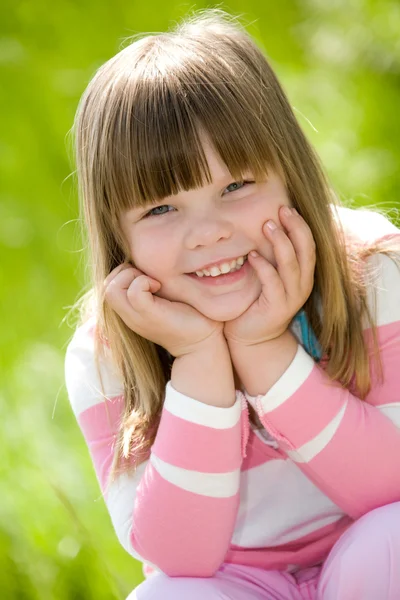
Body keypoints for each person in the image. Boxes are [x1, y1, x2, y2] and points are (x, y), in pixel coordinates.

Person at [65, 9, 400, 600]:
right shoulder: (105, 352)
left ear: (290, 176)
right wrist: (198, 359)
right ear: (119, 236)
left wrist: (264, 349)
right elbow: (180, 559)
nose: (210, 232)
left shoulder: (374, 270)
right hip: (233, 581)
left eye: (236, 187)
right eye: (161, 209)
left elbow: (390, 490)